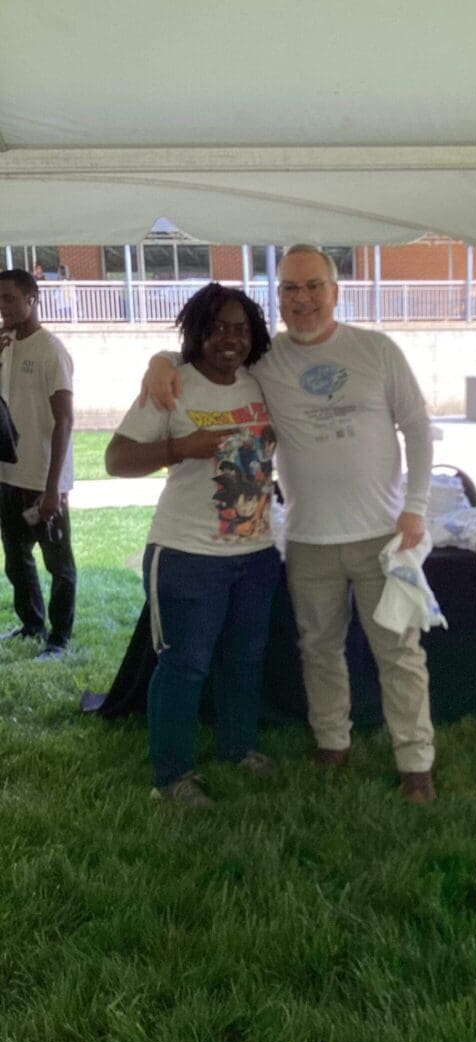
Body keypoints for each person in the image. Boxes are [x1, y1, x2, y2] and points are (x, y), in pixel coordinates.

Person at [143, 245, 436, 803]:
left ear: (335, 289)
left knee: (399, 653)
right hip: (306, 539)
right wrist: (160, 358)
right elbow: (205, 354)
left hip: (383, 535)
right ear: (278, 296)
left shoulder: (376, 350)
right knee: (318, 649)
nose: (303, 299)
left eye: (313, 286)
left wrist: (415, 508)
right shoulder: (266, 361)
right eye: (290, 289)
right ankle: (332, 744)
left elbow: (419, 430)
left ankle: (416, 762)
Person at [106, 284, 281, 807]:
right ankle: (172, 776)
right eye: (219, 326)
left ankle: (237, 747)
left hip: (253, 552)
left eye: (242, 328)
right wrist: (182, 447)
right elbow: (116, 460)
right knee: (185, 665)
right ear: (198, 330)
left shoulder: (259, 382)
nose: (231, 337)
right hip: (186, 554)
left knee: (245, 659)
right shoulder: (173, 385)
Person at [0, 269, 76, 659]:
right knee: (16, 559)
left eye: (10, 298)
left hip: (43, 475)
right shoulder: (5, 345)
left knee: (58, 565)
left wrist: (53, 487)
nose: (3, 306)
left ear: (32, 299)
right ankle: (32, 625)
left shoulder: (51, 350)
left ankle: (59, 638)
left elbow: (64, 419)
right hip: (8, 475)